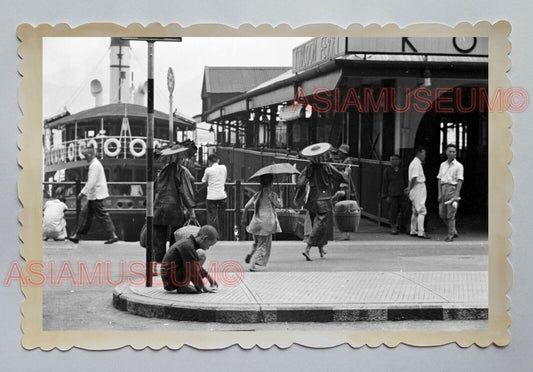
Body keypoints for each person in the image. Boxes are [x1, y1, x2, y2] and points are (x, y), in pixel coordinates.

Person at [296, 143, 348, 260]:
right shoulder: (327, 166)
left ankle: (321, 249)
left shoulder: (308, 168)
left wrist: (298, 196)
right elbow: (341, 177)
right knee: (319, 224)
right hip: (323, 200)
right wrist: (347, 172)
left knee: (320, 225)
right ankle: (308, 248)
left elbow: (300, 183)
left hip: (312, 199)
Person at [152, 143, 197, 263]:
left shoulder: (163, 171)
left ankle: (157, 265)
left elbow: (154, 188)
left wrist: (149, 206)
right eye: (182, 158)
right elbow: (185, 191)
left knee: (159, 240)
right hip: (174, 210)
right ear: (179, 158)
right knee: (175, 237)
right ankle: (171, 263)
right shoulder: (181, 171)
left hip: (158, 209)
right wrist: (191, 210)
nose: (183, 160)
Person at [68, 146, 119, 244]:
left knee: (99, 215)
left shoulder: (94, 165)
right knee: (86, 215)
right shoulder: (95, 164)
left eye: (86, 155)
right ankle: (78, 235)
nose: (84, 157)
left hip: (96, 195)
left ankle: (112, 235)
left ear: (91, 155)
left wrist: (82, 192)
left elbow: (91, 181)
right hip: (95, 194)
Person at [241, 174, 282, 272]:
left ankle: (250, 253)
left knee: (256, 242)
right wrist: (281, 193)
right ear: (271, 183)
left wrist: (244, 217)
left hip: (256, 223)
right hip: (267, 224)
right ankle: (253, 264)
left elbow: (247, 206)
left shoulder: (257, 194)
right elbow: (279, 206)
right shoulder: (272, 195)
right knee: (263, 245)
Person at [160, 225, 218, 293]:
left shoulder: (189, 244)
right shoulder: (188, 246)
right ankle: (182, 286)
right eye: (210, 245)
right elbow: (193, 270)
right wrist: (203, 288)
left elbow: (195, 266)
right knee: (201, 255)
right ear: (204, 238)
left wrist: (209, 278)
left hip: (171, 276)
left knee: (196, 259)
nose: (208, 248)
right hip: (171, 279)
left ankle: (183, 285)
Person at [437, 144, 464, 242]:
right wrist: (440, 193)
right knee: (442, 213)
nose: (452, 153)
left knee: (451, 214)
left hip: (452, 189)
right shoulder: (442, 165)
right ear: (446, 152)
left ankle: (450, 234)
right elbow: (439, 179)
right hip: (444, 188)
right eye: (450, 151)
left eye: (454, 152)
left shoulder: (459, 166)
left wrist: (457, 194)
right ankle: (454, 230)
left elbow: (460, 180)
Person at [201, 153, 227, 239]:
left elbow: (203, 180)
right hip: (222, 196)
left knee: (212, 218)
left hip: (211, 197)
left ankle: (213, 236)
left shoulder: (208, 170)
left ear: (209, 161)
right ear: (218, 160)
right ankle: (222, 235)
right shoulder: (224, 167)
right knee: (222, 216)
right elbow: (224, 178)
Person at [382, 154, 409, 235]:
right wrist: (385, 195)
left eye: (395, 159)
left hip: (402, 193)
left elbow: (406, 181)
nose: (393, 161)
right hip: (392, 194)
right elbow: (385, 183)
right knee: (393, 211)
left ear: (399, 160)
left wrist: (407, 190)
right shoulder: (387, 171)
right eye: (391, 160)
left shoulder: (403, 170)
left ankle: (405, 226)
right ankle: (393, 227)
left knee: (406, 210)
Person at [407, 146, 430, 239]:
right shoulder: (416, 163)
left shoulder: (415, 162)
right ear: (419, 153)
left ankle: (413, 230)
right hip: (418, 187)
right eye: (423, 153)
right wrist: (409, 188)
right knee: (421, 210)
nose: (425, 155)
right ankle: (421, 231)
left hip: (415, 187)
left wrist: (409, 189)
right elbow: (414, 178)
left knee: (415, 210)